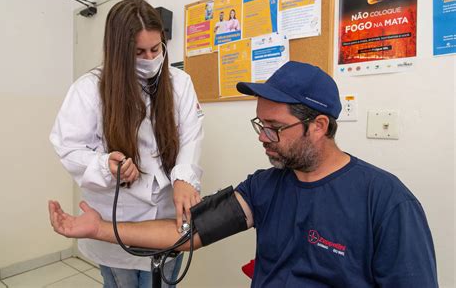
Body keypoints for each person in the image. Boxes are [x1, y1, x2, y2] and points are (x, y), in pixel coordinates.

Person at [49, 61, 438, 287]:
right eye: (259, 124)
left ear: (318, 126)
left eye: (274, 128)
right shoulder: (265, 187)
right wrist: (99, 228)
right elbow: (185, 234)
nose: (263, 138)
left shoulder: (386, 202)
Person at [49, 0, 204, 288]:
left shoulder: (179, 83)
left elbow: (191, 135)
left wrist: (184, 177)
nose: (150, 58)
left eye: (155, 49)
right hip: (116, 219)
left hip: (167, 220)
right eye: (139, 52)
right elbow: (68, 146)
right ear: (119, 51)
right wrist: (105, 165)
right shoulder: (89, 89)